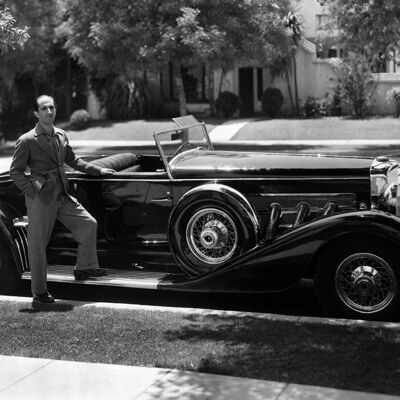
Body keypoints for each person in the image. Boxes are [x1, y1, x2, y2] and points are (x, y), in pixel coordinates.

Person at [10, 95, 115, 304]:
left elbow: (73, 160)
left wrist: (98, 169)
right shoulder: (27, 140)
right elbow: (16, 171)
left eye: (52, 107)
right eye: (44, 108)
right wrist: (32, 192)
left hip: (62, 193)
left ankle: (84, 268)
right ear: (36, 113)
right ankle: (39, 293)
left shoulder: (61, 134)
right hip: (41, 198)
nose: (49, 111)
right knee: (38, 244)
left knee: (88, 224)